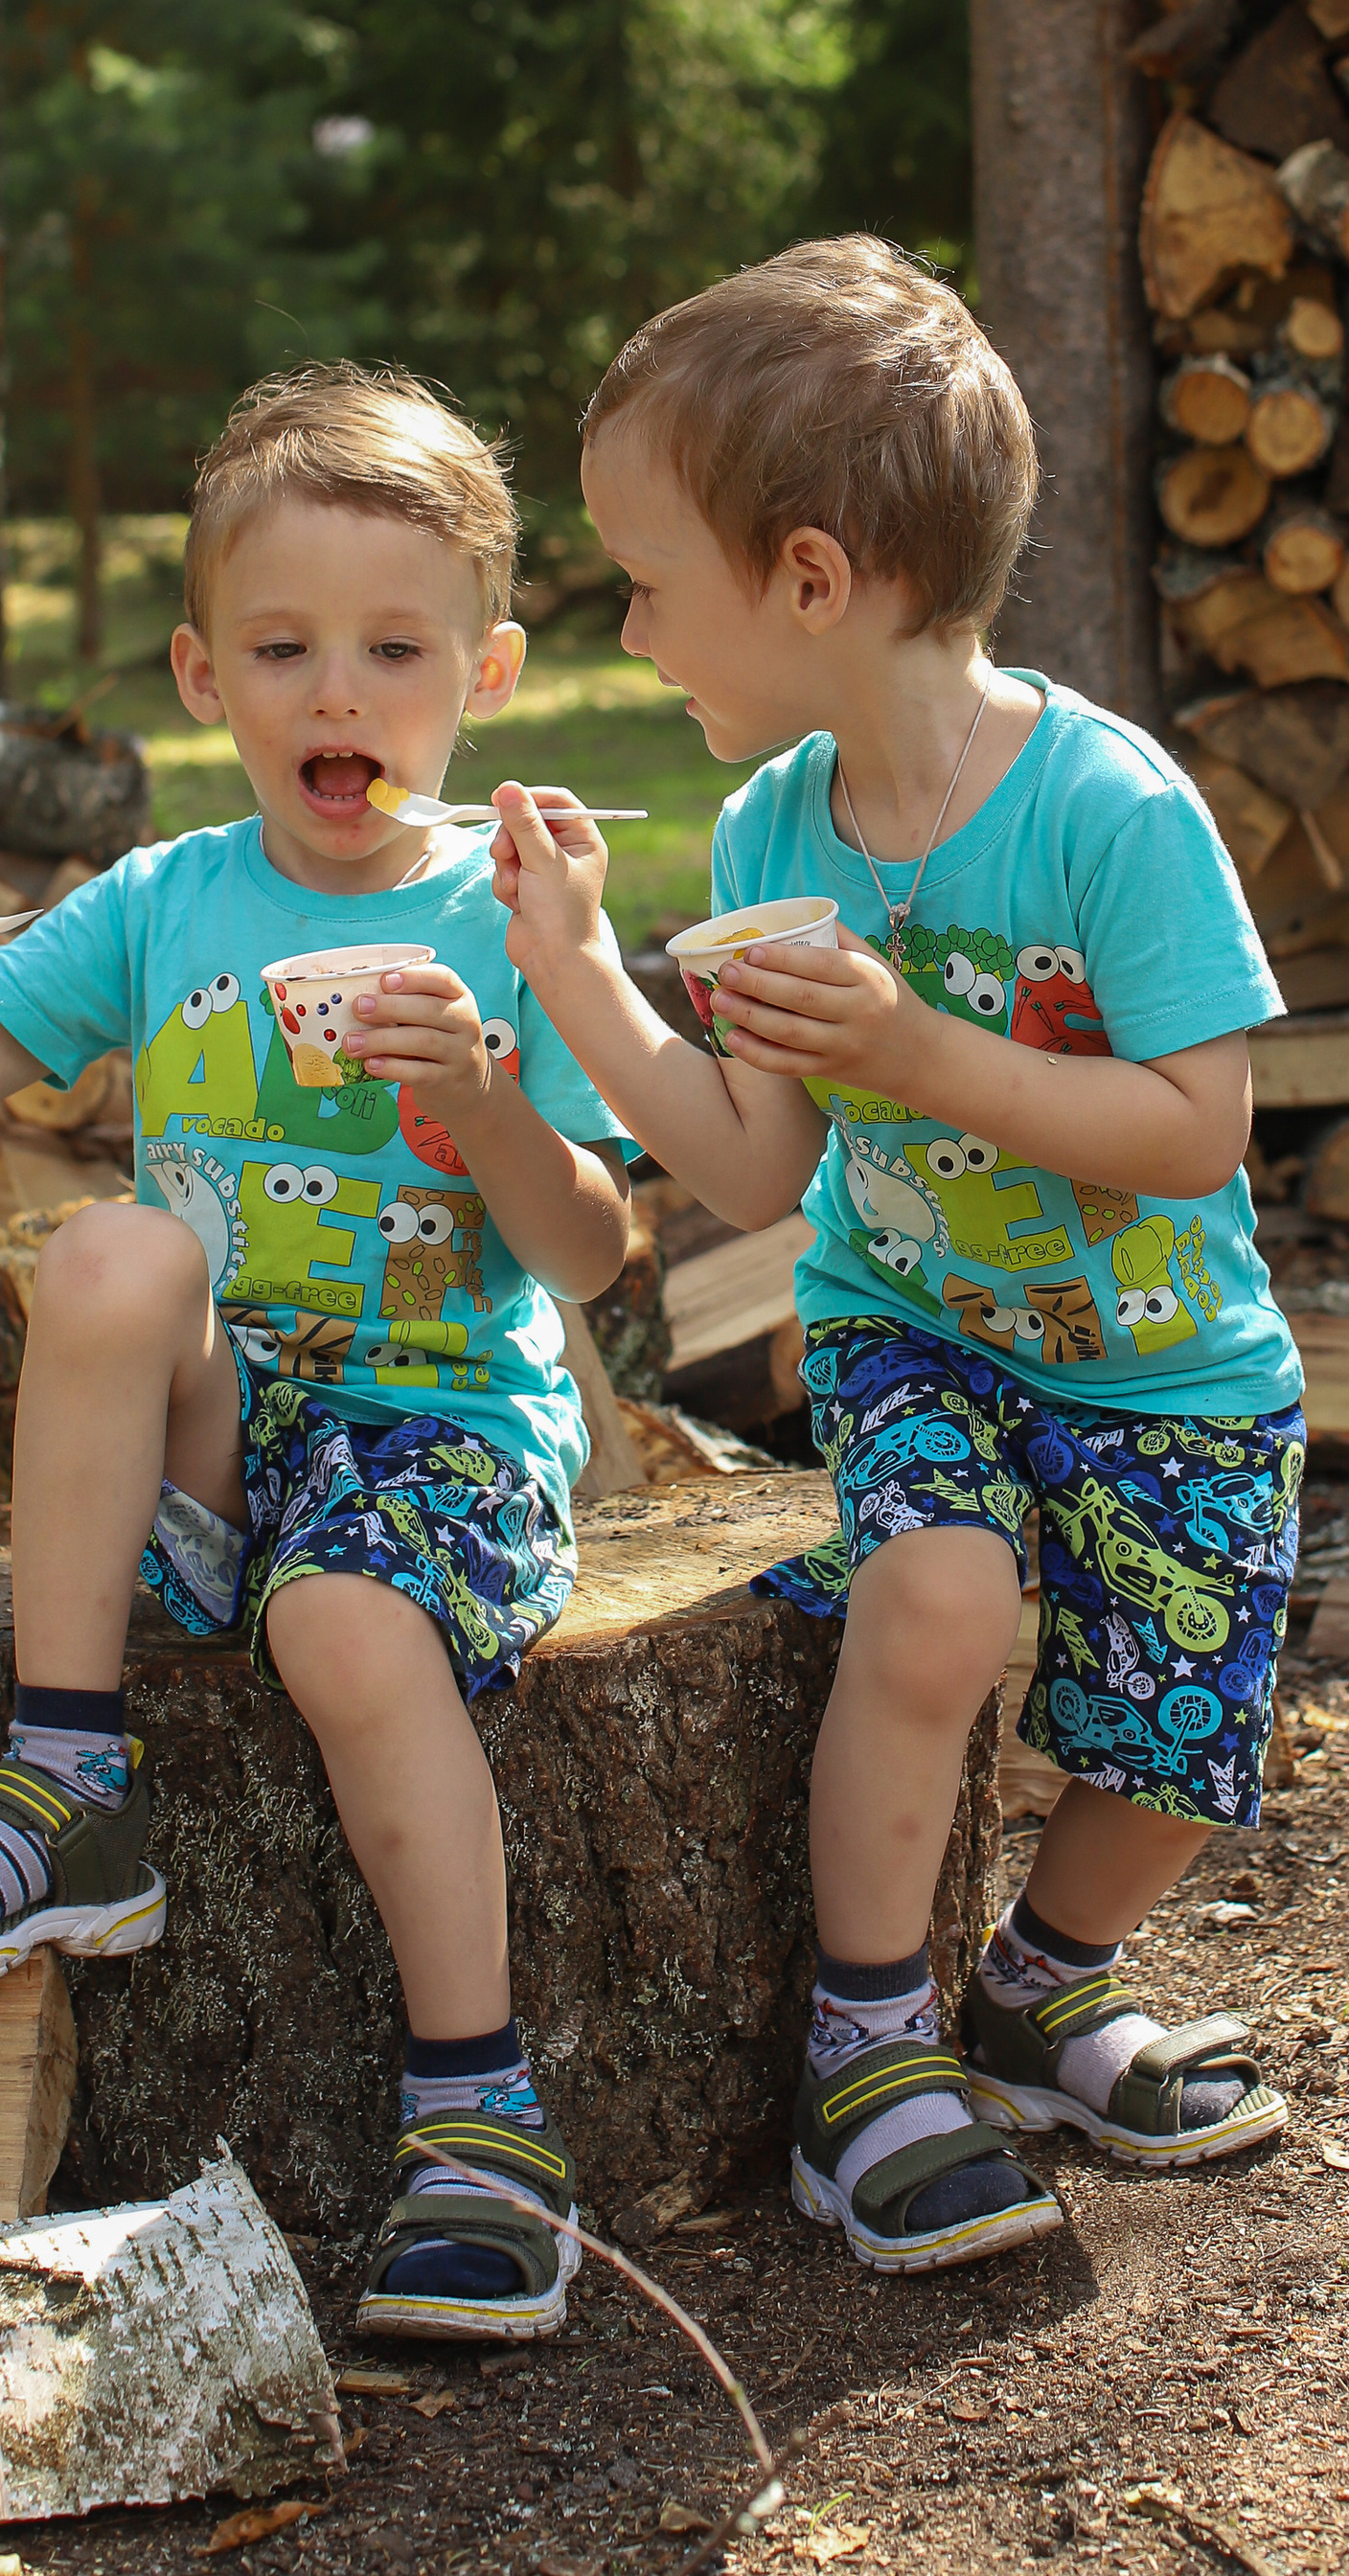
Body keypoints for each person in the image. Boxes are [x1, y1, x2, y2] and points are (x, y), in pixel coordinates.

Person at [0, 365, 632, 2344]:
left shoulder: (520, 918)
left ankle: (482, 2118)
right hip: (224, 1442)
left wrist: (485, 1100)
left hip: (439, 1437)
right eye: (283, 647)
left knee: (341, 1631)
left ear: (486, 674)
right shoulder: (163, 901)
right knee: (113, 1247)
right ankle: (69, 1784)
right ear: (201, 674)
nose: (339, 694)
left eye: (394, 649)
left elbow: (594, 1249)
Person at [492, 239, 1301, 2276]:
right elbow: (759, 1164)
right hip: (910, 1322)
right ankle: (866, 2059)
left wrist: (924, 1053)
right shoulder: (772, 834)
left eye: (643, 580)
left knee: (1179, 1747)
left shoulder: (1107, 811)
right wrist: (577, 972)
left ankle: (1039, 1990)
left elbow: (1195, 1127)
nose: (625, 628)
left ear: (807, 577)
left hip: (1170, 1363)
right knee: (932, 1603)